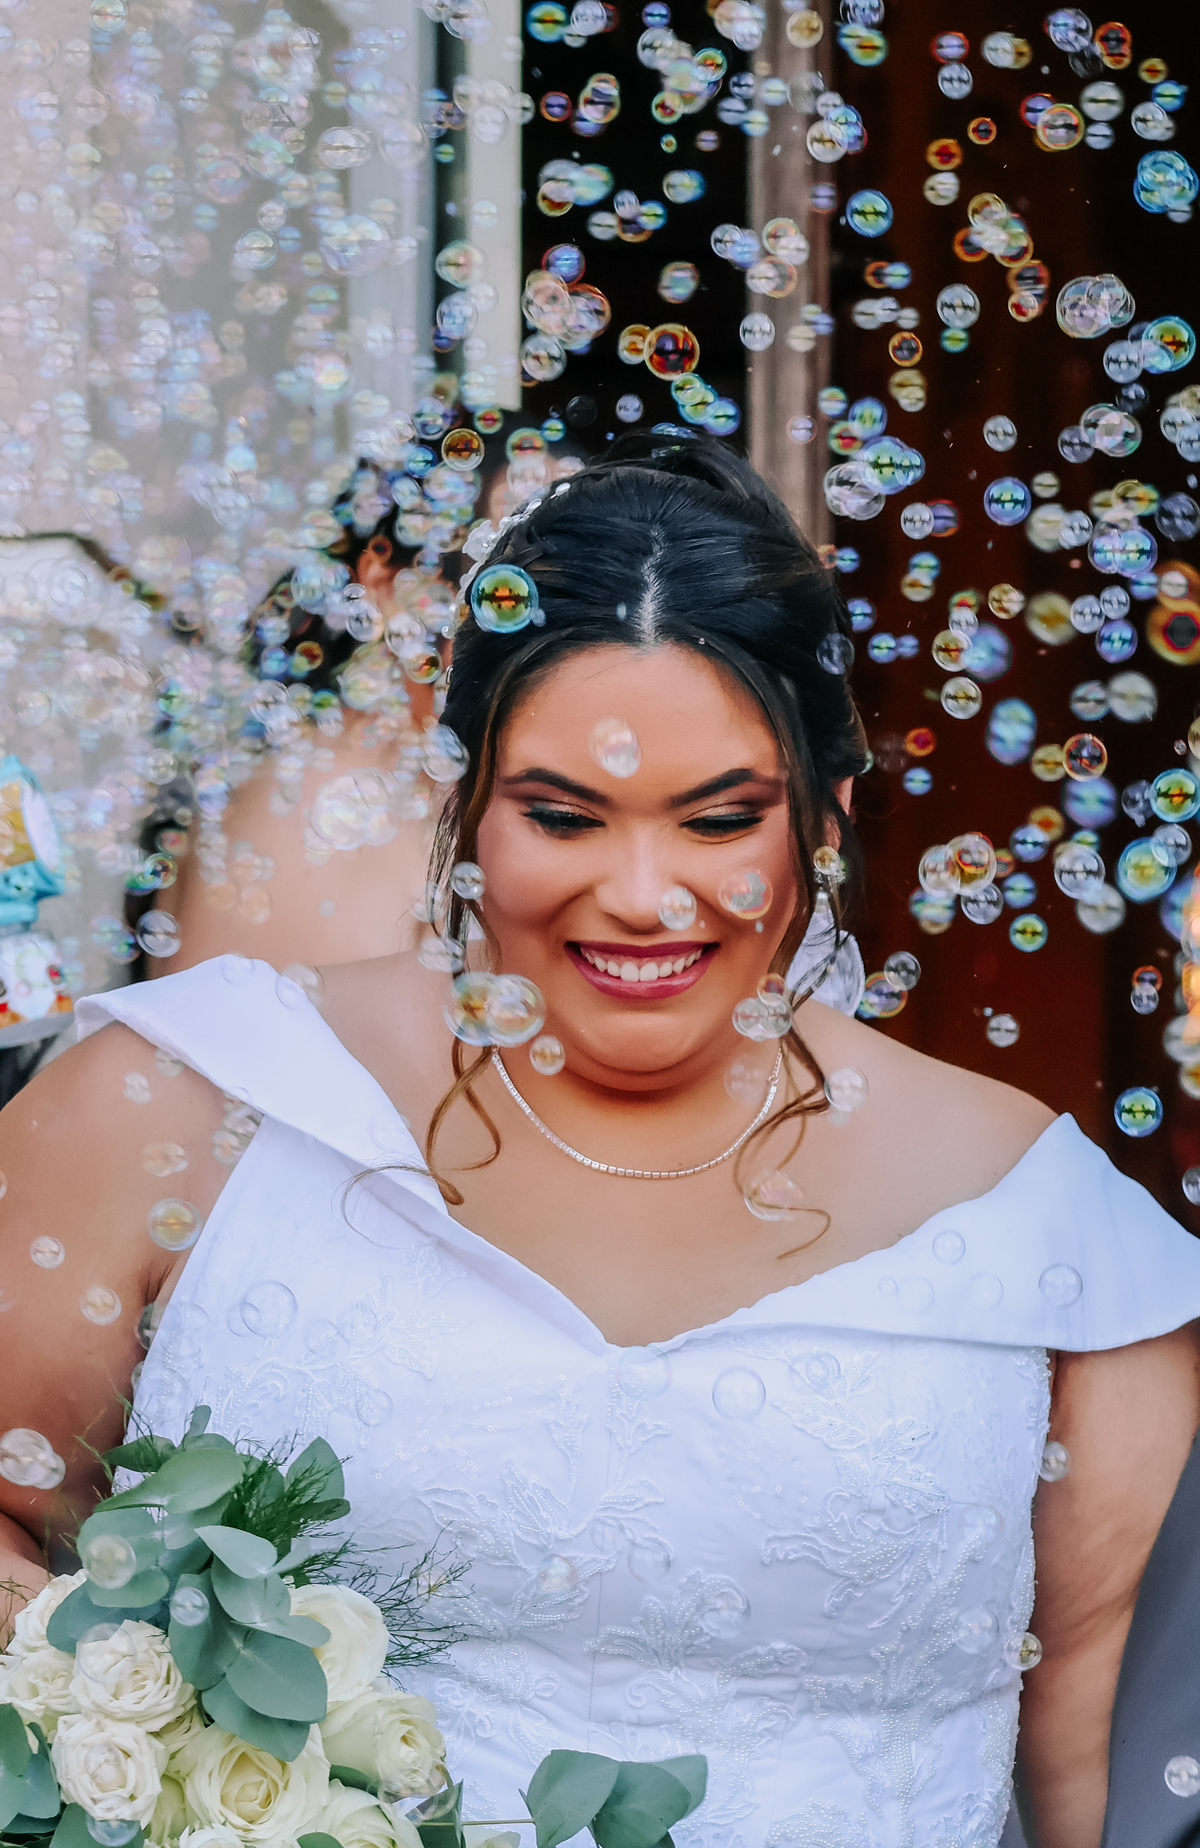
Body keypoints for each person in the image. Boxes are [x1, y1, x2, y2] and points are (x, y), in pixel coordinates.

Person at [2, 434, 1199, 1848]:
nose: (642, 894)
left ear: (828, 814)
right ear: (465, 801)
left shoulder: (1060, 1247)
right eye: (564, 816)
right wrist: (139, 1769)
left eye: (721, 820)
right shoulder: (188, 1101)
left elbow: (1103, 1788)